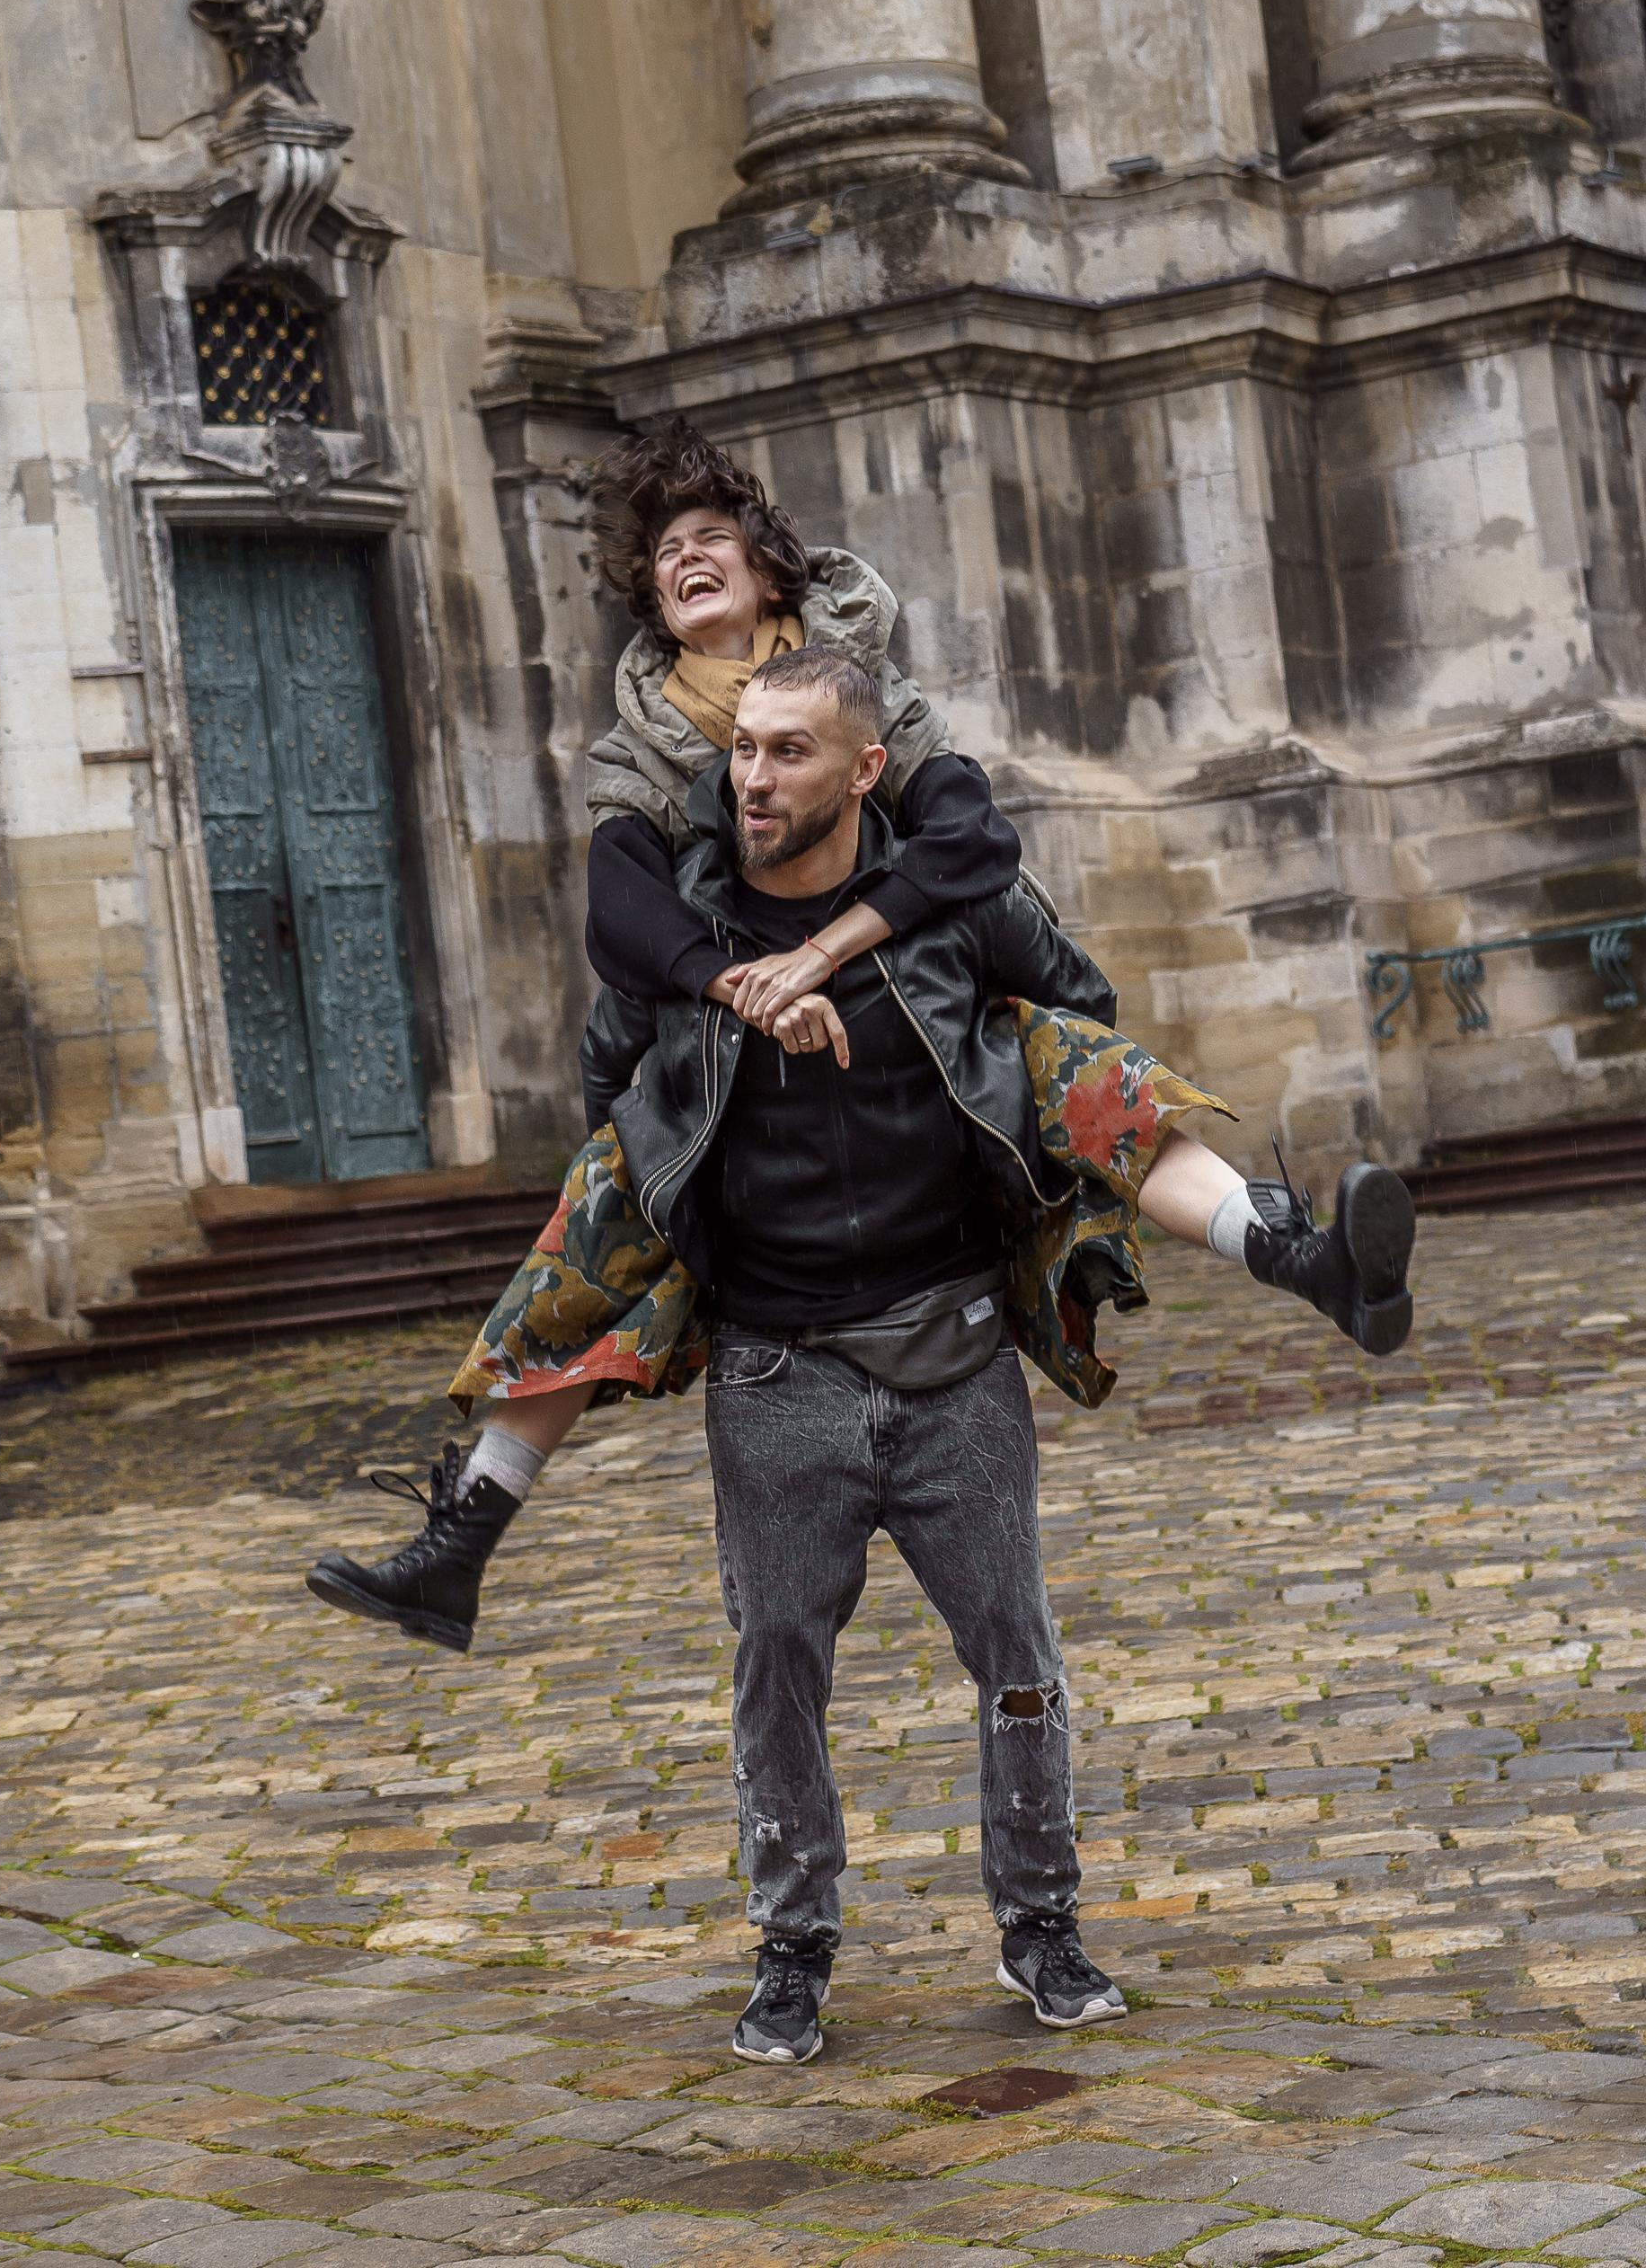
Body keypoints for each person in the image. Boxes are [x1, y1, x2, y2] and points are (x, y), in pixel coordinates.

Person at [306, 427, 1415, 1655]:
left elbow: (974, 845)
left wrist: (821, 956)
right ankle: (461, 1542)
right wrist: (745, 988)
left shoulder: (866, 690)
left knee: (1081, 1084)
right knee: (620, 1196)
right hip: (727, 1045)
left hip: (922, 1009)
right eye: (664, 553)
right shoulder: (637, 753)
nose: (684, 559)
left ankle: (1300, 1255)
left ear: (772, 568)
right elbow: (622, 921)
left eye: (709, 539)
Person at [597, 642, 1122, 2051]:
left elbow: (1080, 1008)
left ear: (865, 769)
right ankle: (794, 1943)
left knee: (1016, 1651)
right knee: (777, 1662)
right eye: (743, 749)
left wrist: (1021, 1163)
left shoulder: (949, 900)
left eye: (788, 753)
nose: (751, 777)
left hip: (953, 1353)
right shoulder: (687, 921)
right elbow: (614, 1080)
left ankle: (1043, 1929)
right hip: (777, 1370)